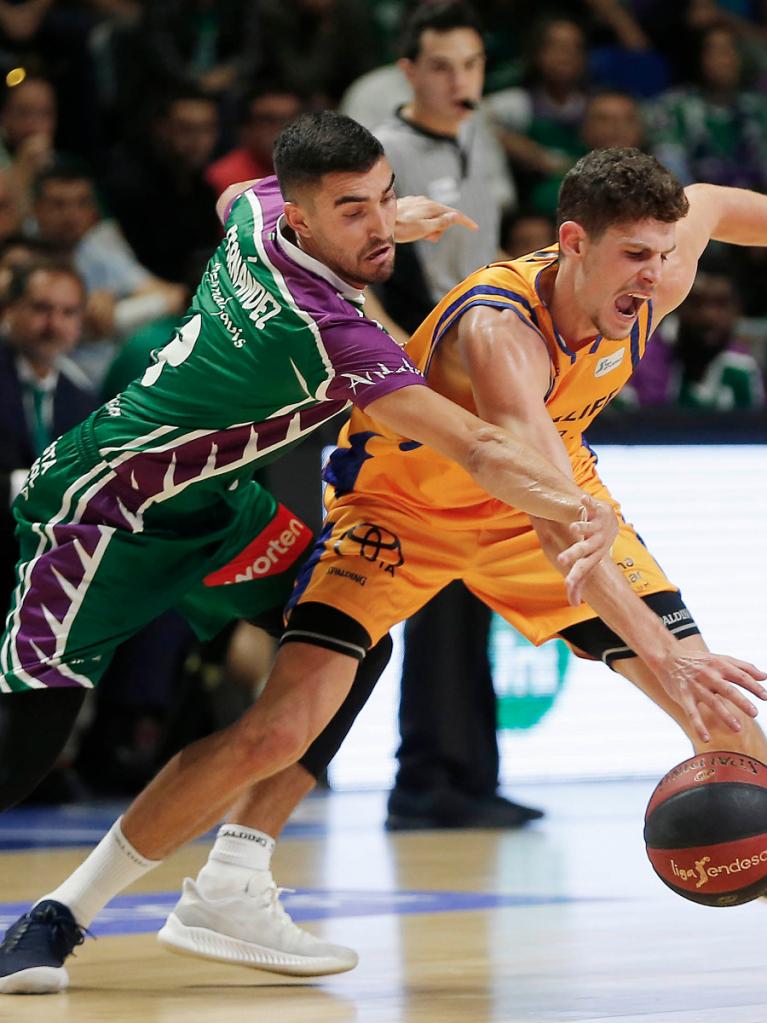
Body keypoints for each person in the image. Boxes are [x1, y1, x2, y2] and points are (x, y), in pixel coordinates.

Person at [0, 110, 620, 994]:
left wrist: (374, 222)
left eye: (385, 200)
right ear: (302, 217)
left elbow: (228, 196)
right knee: (25, 747)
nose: (378, 225)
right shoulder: (328, 332)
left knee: (346, 628)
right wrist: (576, 507)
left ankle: (235, 877)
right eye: (351, 210)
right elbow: (480, 450)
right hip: (106, 512)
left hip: (216, 510)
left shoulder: (258, 215)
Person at [368, 0, 535, 831]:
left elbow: (492, 261)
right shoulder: (382, 154)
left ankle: (472, 772)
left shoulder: (484, 140)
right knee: (434, 581)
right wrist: (407, 368)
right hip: (423, 383)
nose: (458, 80)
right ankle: (423, 778)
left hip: (480, 373)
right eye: (441, 66)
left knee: (477, 581)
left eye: (470, 64)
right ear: (408, 71)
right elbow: (362, 276)